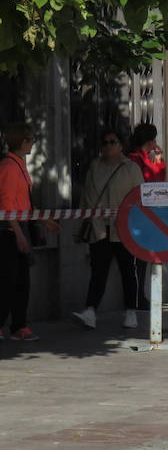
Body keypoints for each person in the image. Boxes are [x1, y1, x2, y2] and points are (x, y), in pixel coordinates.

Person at [72, 129, 146, 329]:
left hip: (123, 229)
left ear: (121, 145)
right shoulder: (95, 167)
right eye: (104, 142)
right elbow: (86, 198)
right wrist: (82, 224)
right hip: (99, 228)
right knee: (98, 271)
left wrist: (136, 225)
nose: (108, 146)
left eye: (112, 142)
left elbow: (140, 198)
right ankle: (90, 311)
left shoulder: (130, 168)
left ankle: (131, 312)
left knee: (127, 271)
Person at [0, 123, 60, 342]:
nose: (33, 143)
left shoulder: (18, 166)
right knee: (9, 281)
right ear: (22, 141)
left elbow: (22, 204)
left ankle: (19, 325)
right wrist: (18, 234)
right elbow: (6, 205)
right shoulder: (9, 167)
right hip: (8, 230)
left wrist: (43, 221)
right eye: (31, 139)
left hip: (18, 226)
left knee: (21, 282)